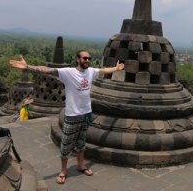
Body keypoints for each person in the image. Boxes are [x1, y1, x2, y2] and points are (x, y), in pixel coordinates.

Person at [9, 50, 125, 184]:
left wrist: (116, 68)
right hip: (72, 115)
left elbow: (104, 70)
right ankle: (63, 171)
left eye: (89, 58)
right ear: (78, 59)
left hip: (86, 113)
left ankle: (80, 165)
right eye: (84, 58)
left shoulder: (91, 72)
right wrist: (28, 67)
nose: (87, 60)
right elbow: (47, 70)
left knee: (81, 142)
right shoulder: (68, 72)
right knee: (66, 145)